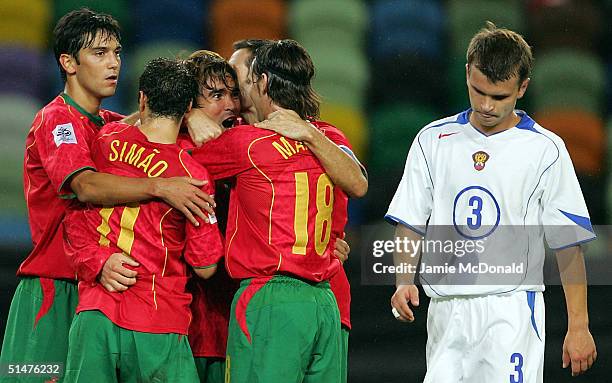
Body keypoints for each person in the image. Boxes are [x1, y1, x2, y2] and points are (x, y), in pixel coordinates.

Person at [0, 9, 214, 382]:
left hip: (102, 294)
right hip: (54, 290)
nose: (113, 63)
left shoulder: (113, 126)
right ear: (68, 62)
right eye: (99, 54)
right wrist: (159, 186)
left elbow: (155, 122)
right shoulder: (57, 119)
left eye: (116, 52)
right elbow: (86, 186)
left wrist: (188, 113)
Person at [386, 22, 597, 382]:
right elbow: (410, 219)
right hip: (446, 311)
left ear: (523, 88)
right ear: (467, 73)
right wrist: (403, 278)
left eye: (498, 97)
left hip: (511, 310)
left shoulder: (545, 150)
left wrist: (579, 325)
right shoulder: (433, 140)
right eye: (477, 91)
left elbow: (568, 242)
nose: (485, 105)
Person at [191, 39, 359, 382]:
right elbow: (358, 183)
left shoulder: (246, 144)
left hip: (270, 298)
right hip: (325, 300)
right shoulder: (328, 139)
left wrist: (186, 113)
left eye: (239, 79)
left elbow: (169, 155)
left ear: (262, 81)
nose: (234, 91)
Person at [62, 57, 224, 382]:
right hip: (158, 319)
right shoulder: (193, 176)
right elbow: (205, 266)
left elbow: (75, 219)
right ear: (189, 106)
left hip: (96, 310)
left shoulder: (105, 140)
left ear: (142, 99)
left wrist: (98, 261)